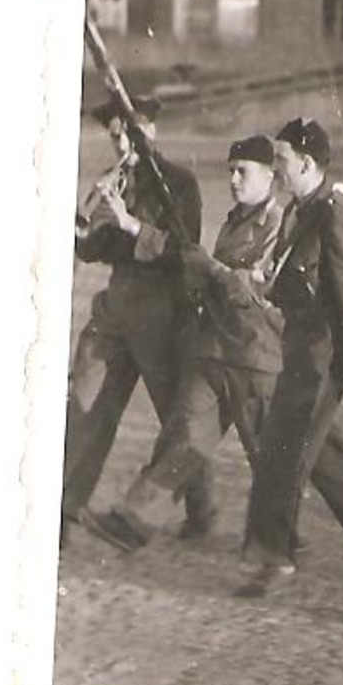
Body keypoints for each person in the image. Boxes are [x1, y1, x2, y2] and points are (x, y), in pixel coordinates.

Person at [81, 136, 284, 552]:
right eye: (230, 169)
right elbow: (196, 264)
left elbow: (251, 287)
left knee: (279, 455)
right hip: (215, 348)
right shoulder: (235, 220)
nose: (232, 179)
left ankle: (305, 540)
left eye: (242, 171)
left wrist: (204, 268)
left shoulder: (280, 225)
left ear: (271, 176)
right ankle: (134, 522)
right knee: (185, 434)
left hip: (256, 355)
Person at [237, 118, 343, 597]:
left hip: (322, 356)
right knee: (319, 454)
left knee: (282, 453)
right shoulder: (302, 210)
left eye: (282, 161)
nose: (276, 170)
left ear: (307, 163)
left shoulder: (333, 215)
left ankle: (274, 561)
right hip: (299, 346)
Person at [61, 96, 202, 541]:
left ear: (151, 131)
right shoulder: (110, 182)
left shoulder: (178, 184)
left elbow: (185, 253)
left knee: (179, 417)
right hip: (116, 304)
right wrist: (81, 230)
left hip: (162, 310)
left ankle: (201, 509)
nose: (121, 142)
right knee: (85, 403)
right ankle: (62, 509)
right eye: (115, 134)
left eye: (129, 132)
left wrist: (130, 226)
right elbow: (94, 248)